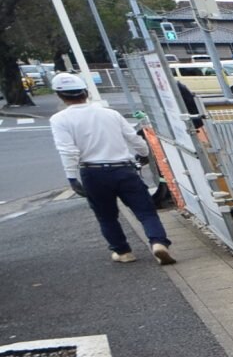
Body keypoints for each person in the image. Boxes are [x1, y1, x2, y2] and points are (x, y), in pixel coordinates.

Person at [49, 72, 174, 265]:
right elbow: (134, 139)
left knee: (106, 216)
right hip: (123, 169)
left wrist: (72, 178)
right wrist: (142, 154)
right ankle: (158, 243)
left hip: (92, 172)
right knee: (145, 211)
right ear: (86, 91)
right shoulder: (110, 114)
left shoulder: (59, 119)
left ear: (60, 95)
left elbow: (68, 150)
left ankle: (123, 252)